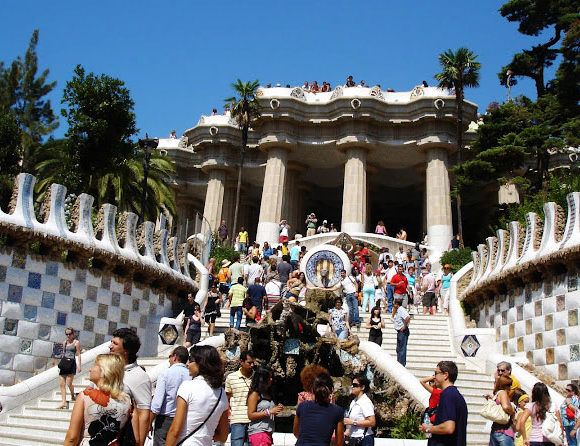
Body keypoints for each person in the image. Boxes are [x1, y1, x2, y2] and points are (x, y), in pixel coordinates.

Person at [165, 346, 229, 446]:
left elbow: (175, 431)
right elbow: (223, 436)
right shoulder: (221, 394)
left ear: (201, 363)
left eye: (190, 360)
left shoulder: (187, 387)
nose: (187, 364)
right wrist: (204, 434)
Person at [63, 354, 130, 446]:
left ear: (104, 371)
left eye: (95, 366)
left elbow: (72, 438)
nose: (90, 369)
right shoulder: (126, 401)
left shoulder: (85, 396)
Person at [109, 328, 152, 446]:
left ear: (126, 351)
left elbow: (144, 413)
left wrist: (140, 443)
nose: (110, 346)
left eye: (115, 343)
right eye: (111, 342)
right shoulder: (107, 369)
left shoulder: (139, 376)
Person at [149, 346, 190, 446]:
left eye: (169, 356)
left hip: (165, 420)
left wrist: (149, 421)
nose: (169, 360)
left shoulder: (165, 373)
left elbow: (157, 403)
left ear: (175, 357)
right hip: (185, 419)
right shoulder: (191, 375)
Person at [419, 361, 467, 445]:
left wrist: (428, 428)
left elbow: (449, 427)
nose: (434, 377)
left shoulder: (448, 395)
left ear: (445, 375)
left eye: (436, 373)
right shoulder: (456, 395)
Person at [294, 372, 345, 446]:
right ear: (331, 391)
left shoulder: (302, 406)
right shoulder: (337, 411)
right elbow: (339, 442)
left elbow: (296, 433)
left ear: (313, 389)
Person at [516, 382, 562, 446]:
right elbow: (559, 423)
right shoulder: (552, 406)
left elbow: (522, 421)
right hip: (549, 438)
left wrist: (524, 438)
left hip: (534, 439)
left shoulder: (531, 406)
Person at [247, 367, 284, 446]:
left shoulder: (268, 393)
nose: (271, 379)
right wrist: (269, 412)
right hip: (258, 432)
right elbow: (250, 415)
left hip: (268, 432)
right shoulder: (255, 394)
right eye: (268, 377)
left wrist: (276, 410)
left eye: (271, 377)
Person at [226, 351, 255, 446]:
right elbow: (227, 398)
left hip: (253, 421)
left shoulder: (256, 378)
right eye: (249, 363)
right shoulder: (231, 378)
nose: (252, 365)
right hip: (237, 420)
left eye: (253, 362)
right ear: (241, 362)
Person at [344, 375, 376, 446]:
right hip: (353, 438)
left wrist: (353, 422)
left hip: (364, 439)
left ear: (362, 387)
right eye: (352, 385)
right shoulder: (354, 401)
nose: (352, 387)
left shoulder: (365, 402)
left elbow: (372, 422)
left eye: (355, 385)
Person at [486, 375, 515, 445]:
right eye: (509, 385)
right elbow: (505, 407)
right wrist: (512, 412)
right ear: (504, 385)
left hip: (495, 430)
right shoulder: (503, 393)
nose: (510, 388)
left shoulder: (497, 394)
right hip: (504, 431)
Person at [57, 327, 82, 409]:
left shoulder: (76, 343)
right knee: (61, 384)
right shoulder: (64, 342)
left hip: (71, 363)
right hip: (64, 363)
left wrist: (79, 366)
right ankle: (63, 402)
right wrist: (60, 363)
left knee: (69, 383)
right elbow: (64, 353)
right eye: (66, 334)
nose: (68, 336)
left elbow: (78, 354)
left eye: (69, 334)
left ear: (73, 334)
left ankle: (72, 394)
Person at [393, 299, 410, 366]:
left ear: (397, 304)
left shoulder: (401, 310)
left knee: (402, 349)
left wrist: (404, 327)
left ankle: (401, 364)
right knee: (399, 348)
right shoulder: (399, 310)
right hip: (399, 332)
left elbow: (407, 317)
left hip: (402, 332)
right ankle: (399, 362)